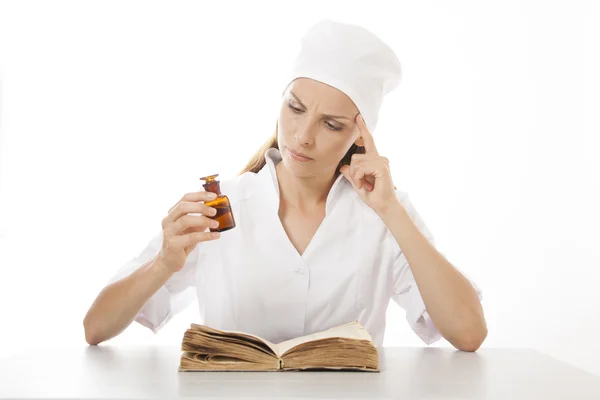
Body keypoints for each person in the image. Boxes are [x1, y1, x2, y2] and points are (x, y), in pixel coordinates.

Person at [83, 19, 487, 351]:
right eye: (294, 108)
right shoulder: (222, 203)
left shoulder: (384, 214)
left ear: (359, 137)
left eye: (331, 124)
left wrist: (391, 212)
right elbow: (96, 328)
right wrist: (163, 264)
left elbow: (468, 332)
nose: (302, 136)